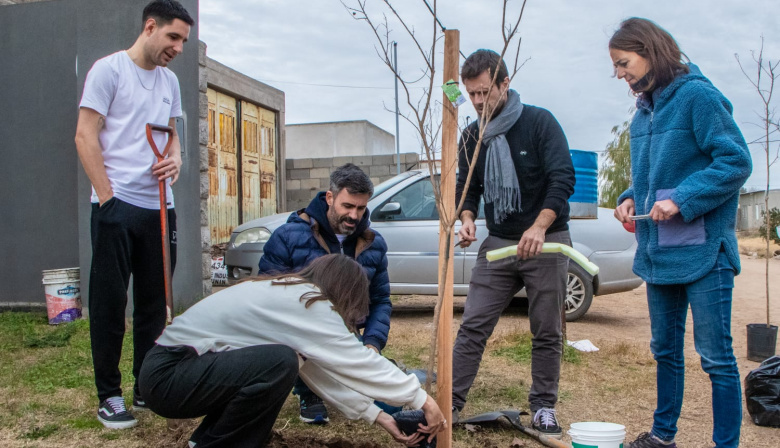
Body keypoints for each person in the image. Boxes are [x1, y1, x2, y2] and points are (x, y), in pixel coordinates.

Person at [609, 18, 752, 448]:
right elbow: (653, 175)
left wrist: (683, 199)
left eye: (623, 62)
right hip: (659, 253)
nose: (619, 74)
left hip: (706, 252)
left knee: (716, 358)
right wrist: (631, 195)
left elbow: (735, 161)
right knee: (665, 353)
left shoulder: (698, 97)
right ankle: (662, 437)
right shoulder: (642, 114)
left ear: (649, 51)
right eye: (615, 66)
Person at [139, 254, 446, 448]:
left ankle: (203, 442)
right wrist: (421, 399)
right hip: (170, 375)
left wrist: (378, 416)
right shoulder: (308, 304)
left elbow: (316, 372)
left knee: (283, 363)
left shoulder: (291, 294)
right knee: (279, 364)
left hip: (169, 372)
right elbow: (359, 361)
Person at [74, 0, 193, 430]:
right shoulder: (109, 71)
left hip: (161, 208)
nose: (178, 47)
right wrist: (108, 199)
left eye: (183, 40)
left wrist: (176, 162)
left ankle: (147, 384)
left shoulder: (171, 82)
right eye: (173, 37)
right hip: (117, 205)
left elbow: (173, 137)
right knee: (110, 304)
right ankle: (109, 395)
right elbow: (85, 135)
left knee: (152, 304)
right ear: (150, 27)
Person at [452, 49, 576, 438]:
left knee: (547, 329)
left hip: (547, 240)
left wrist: (539, 227)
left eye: (484, 92)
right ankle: (449, 403)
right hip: (500, 242)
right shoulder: (473, 135)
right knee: (473, 323)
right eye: (470, 94)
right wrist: (468, 219)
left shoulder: (539, 123)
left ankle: (543, 408)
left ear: (505, 83)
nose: (476, 101)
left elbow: (563, 179)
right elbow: (467, 187)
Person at [258, 163, 392, 424]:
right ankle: (309, 390)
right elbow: (267, 294)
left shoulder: (373, 244)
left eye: (361, 208)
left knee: (381, 392)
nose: (354, 215)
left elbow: (380, 300)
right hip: (302, 329)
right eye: (347, 206)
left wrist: (373, 343)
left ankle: (353, 375)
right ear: (329, 197)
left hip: (348, 330)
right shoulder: (288, 236)